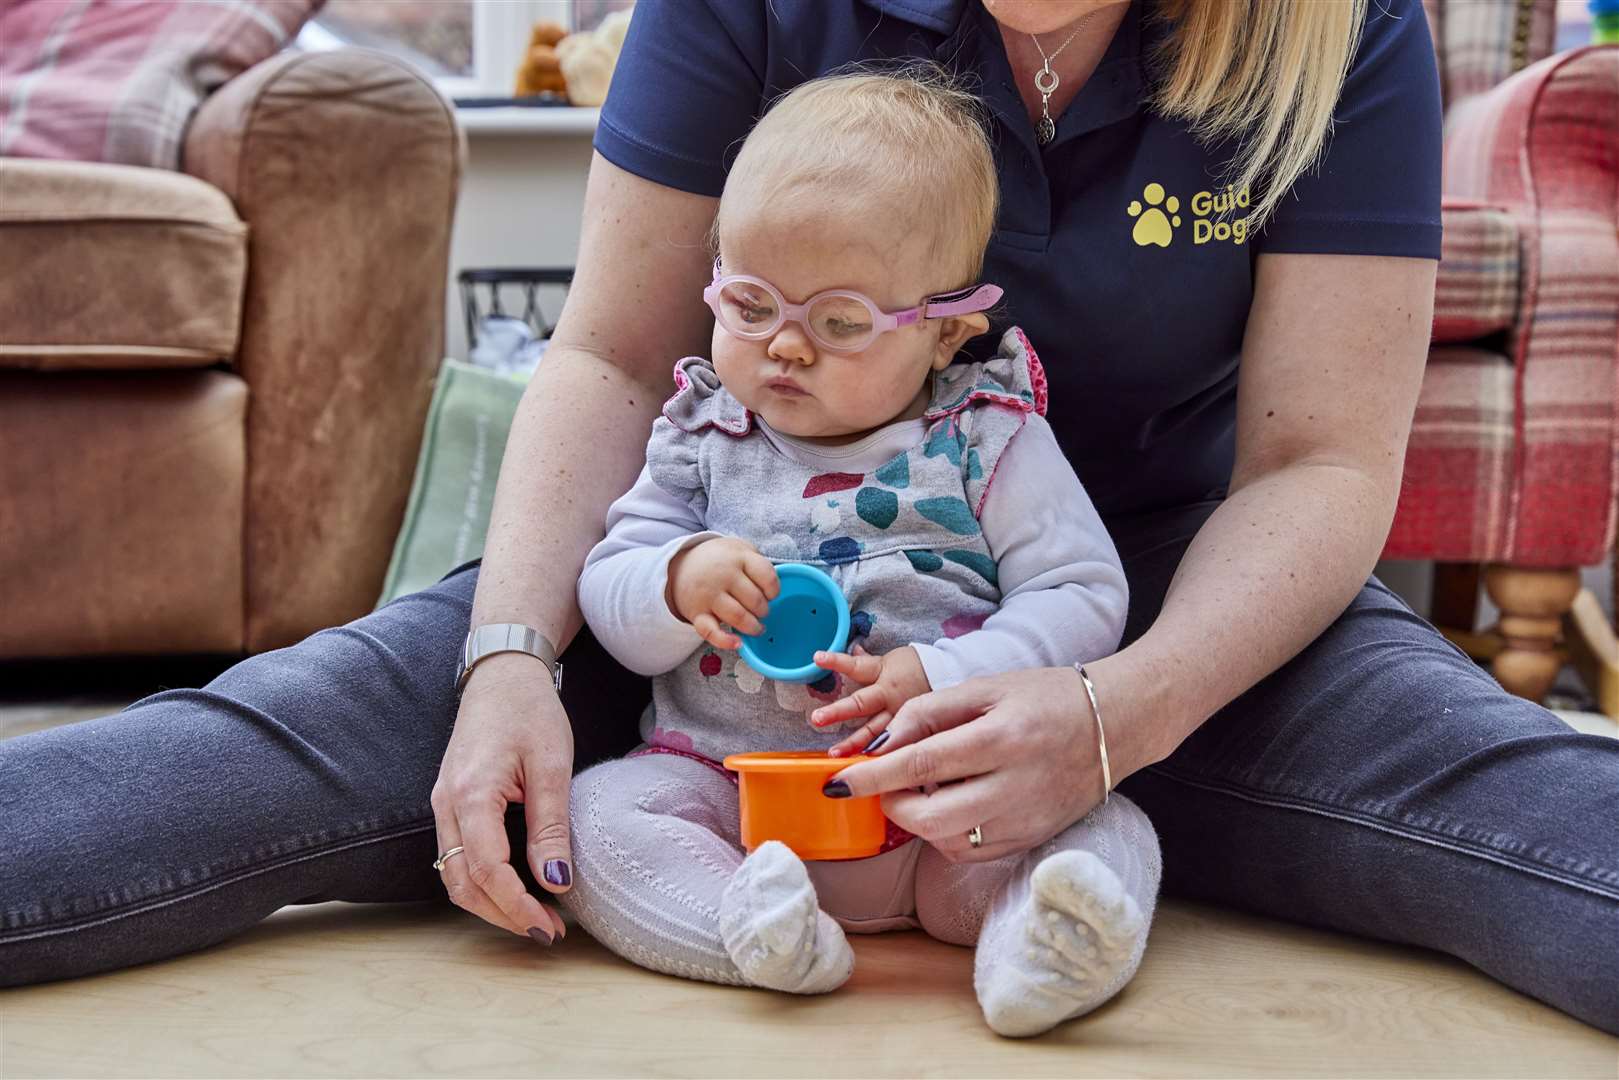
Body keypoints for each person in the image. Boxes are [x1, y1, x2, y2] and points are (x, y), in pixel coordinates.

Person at [2, 0, 1614, 1037]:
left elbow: (1319, 466)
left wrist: (1113, 712)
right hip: (707, 586)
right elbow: (613, 354)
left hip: (1182, 615)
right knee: (270, 743)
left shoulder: (1339, 34)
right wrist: (507, 657)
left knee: (1529, 816)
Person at [562, 69, 1159, 1037]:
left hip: (942, 808)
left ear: (944, 334)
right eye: (750, 305)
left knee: (1098, 821)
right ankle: (750, 930)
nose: (783, 348)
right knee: (598, 814)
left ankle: (1039, 950)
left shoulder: (984, 438)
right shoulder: (702, 437)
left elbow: (1083, 593)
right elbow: (608, 595)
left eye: (837, 322)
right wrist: (673, 583)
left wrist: (944, 671)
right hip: (729, 799)